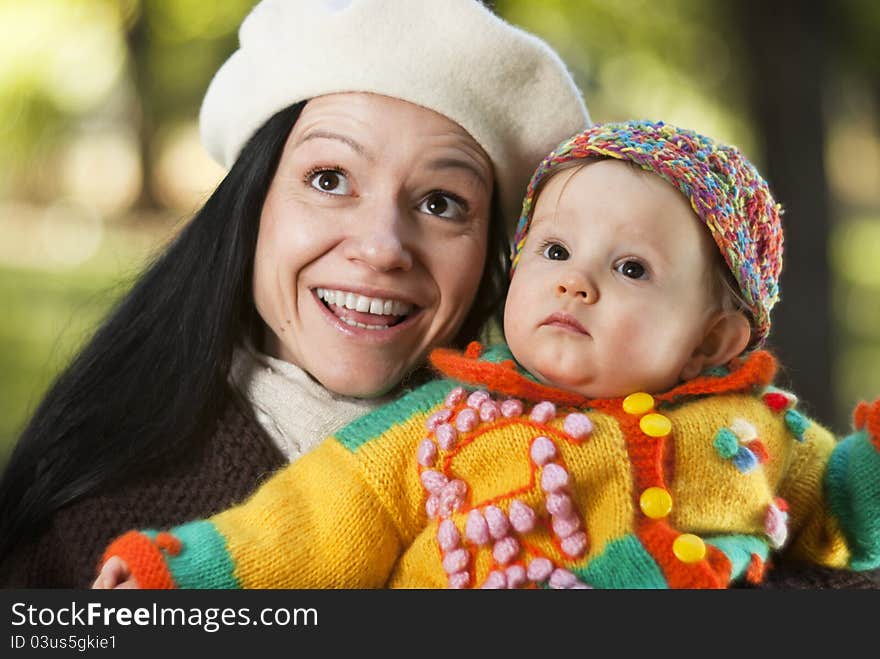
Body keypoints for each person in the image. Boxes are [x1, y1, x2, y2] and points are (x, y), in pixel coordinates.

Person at [94, 121, 880, 589]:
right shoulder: (450, 420)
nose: (576, 283)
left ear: (713, 340)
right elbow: (319, 514)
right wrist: (182, 573)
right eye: (556, 250)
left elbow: (841, 511)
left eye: (631, 268)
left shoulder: (754, 431)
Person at [0, 0, 591, 588]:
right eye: (330, 180)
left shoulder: (565, 484)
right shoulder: (92, 527)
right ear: (251, 206)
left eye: (441, 203)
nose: (384, 247)